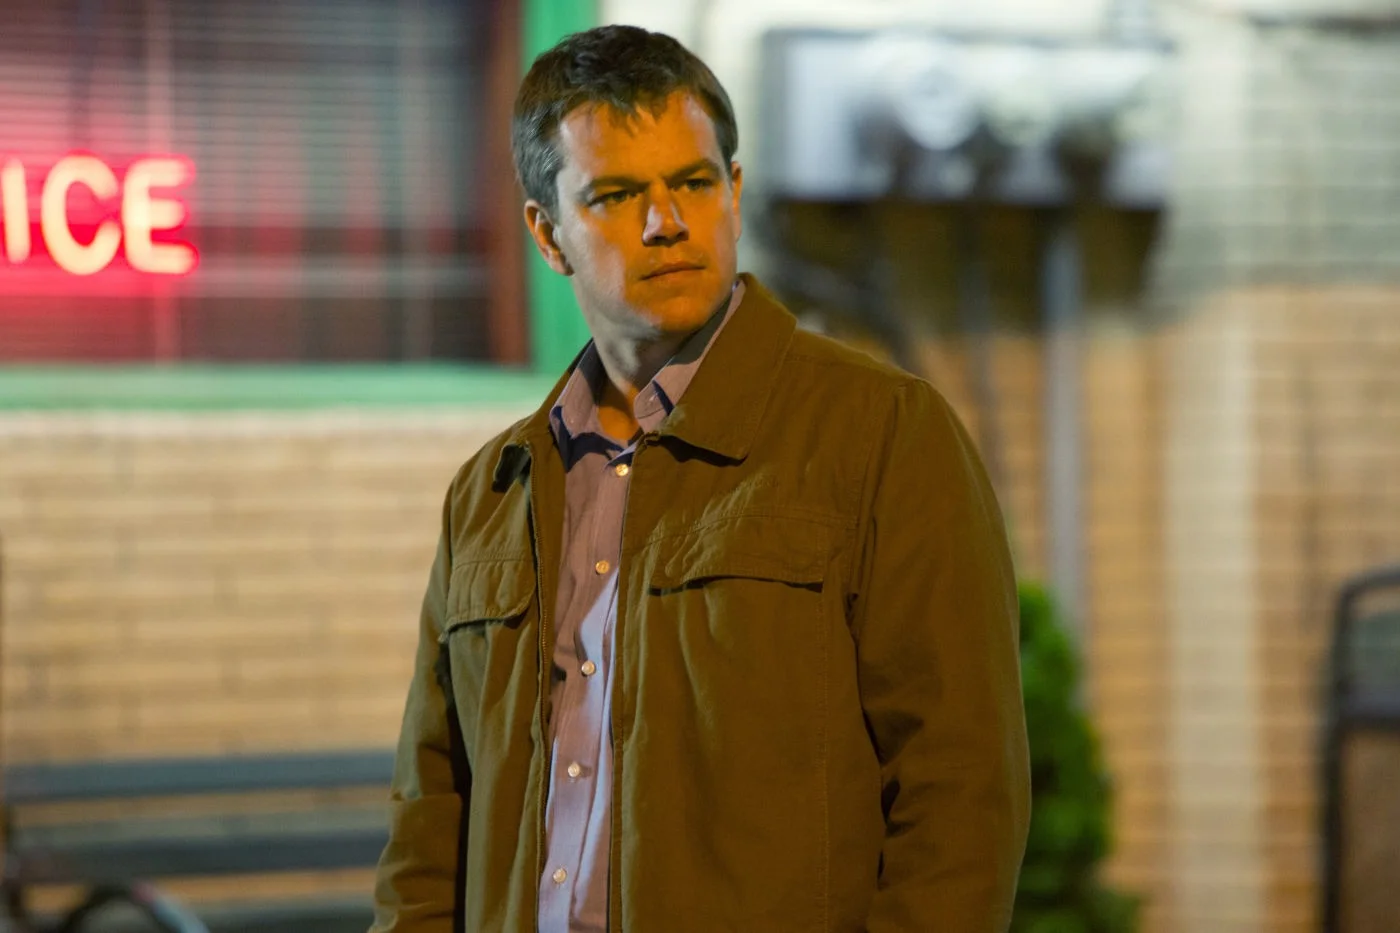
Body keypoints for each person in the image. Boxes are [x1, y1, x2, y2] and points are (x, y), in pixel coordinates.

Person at [371, 24, 1029, 933]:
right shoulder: (492, 490)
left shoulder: (881, 432)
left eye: (693, 182)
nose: (666, 222)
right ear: (548, 234)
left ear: (735, 192)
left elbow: (960, 799)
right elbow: (429, 818)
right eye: (616, 195)